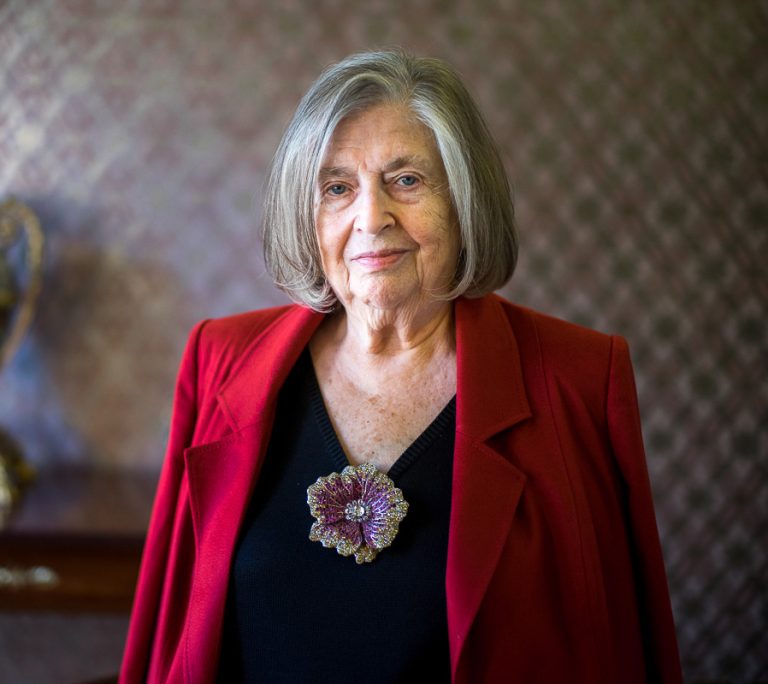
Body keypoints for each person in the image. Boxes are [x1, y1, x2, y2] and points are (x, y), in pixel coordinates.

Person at [120, 50, 682, 683]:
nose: (371, 217)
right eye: (337, 188)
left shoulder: (579, 379)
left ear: (464, 200)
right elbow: (165, 628)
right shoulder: (221, 361)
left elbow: (622, 643)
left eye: (407, 180)